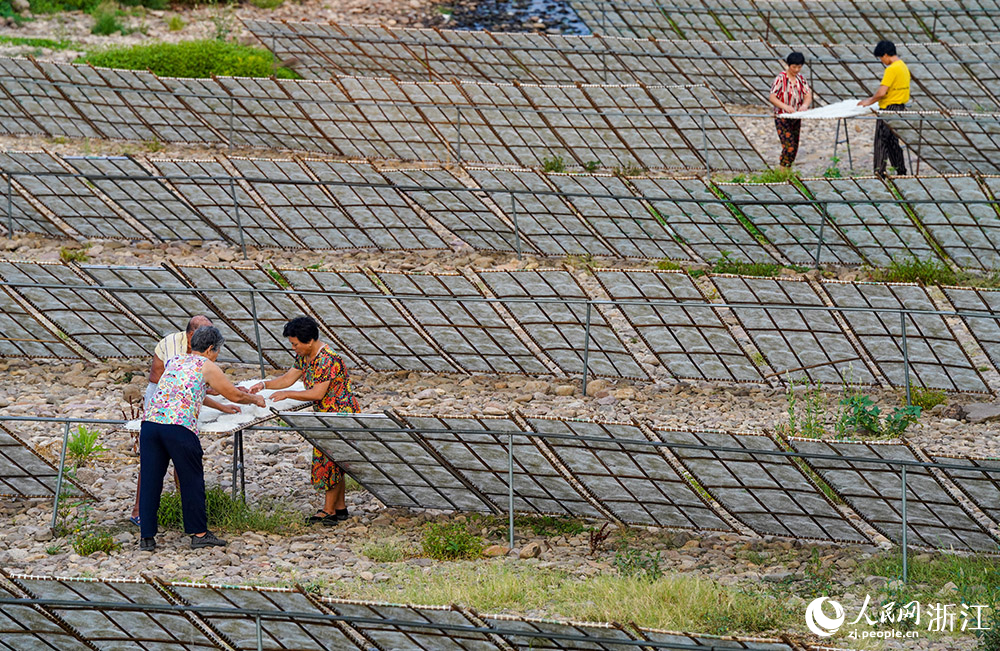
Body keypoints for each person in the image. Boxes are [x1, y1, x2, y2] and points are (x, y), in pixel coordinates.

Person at [139, 326, 265, 551]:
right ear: (210, 349)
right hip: (178, 428)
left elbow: (191, 391)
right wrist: (254, 400)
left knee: (151, 480)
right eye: (217, 351)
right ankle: (199, 533)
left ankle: (146, 537)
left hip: (151, 425)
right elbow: (233, 393)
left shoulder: (175, 361)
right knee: (191, 480)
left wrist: (223, 407)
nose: (217, 355)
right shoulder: (207, 366)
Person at [248, 316, 360, 527]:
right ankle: (340, 508)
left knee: (330, 460)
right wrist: (263, 384)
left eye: (295, 343)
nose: (294, 348)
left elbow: (317, 393)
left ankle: (328, 510)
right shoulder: (306, 355)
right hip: (326, 413)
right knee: (335, 461)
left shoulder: (326, 359)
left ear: (309, 341)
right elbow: (287, 378)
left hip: (339, 414)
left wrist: (287, 394)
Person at [130, 315, 239, 526]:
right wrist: (244, 396)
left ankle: (148, 533)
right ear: (194, 337)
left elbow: (194, 387)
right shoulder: (178, 351)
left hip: (159, 418)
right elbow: (189, 386)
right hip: (169, 411)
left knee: (157, 471)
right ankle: (195, 529)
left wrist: (223, 403)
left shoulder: (184, 359)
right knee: (183, 472)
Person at [858, 40, 910, 175]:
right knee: (893, 141)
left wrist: (869, 101)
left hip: (888, 109)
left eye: (881, 57)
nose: (882, 60)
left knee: (881, 141)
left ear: (886, 55)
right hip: (900, 108)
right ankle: (901, 171)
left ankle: (879, 172)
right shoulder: (903, 66)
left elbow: (882, 92)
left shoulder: (891, 69)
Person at [768, 52, 812, 170]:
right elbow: (772, 97)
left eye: (799, 67)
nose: (796, 70)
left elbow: (807, 95)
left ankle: (787, 171)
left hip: (796, 116)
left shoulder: (801, 79)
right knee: (789, 146)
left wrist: (805, 105)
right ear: (789, 65)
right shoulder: (780, 79)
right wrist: (785, 107)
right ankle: (782, 171)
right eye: (794, 67)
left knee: (795, 147)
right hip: (782, 117)